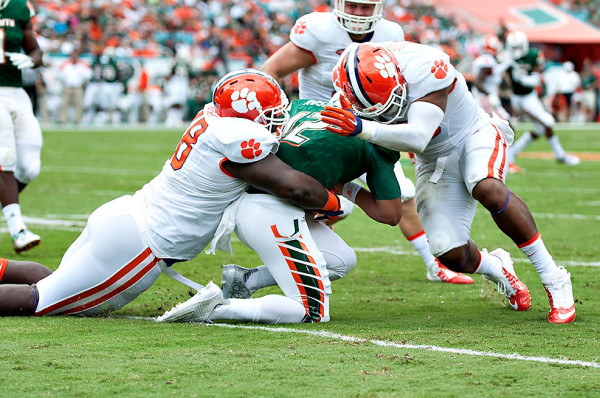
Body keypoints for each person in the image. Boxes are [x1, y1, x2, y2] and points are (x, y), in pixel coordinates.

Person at [0, 69, 342, 317]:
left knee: (50, 281)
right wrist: (335, 202)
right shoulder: (239, 139)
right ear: (250, 117)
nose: (277, 120)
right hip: (140, 244)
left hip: (124, 217)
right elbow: (294, 186)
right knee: (40, 300)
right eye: (271, 115)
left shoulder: (213, 119)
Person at [320, 41, 575, 324]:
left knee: (485, 185)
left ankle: (554, 278)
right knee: (448, 251)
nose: (390, 109)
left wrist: (363, 127)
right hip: (433, 161)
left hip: (473, 134)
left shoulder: (426, 66)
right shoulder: (345, 97)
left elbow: (418, 136)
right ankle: (498, 268)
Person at [261, 0, 472, 284]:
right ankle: (291, 258)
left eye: (366, 6)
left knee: (401, 196)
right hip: (318, 132)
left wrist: (406, 134)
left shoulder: (390, 34)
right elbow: (270, 70)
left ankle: (434, 266)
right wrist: (282, 117)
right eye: (353, 5)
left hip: (367, 127)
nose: (359, 12)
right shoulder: (319, 31)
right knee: (314, 203)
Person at [157, 98, 403, 324]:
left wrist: (338, 185)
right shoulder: (377, 145)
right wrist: (348, 191)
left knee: (341, 260)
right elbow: (389, 215)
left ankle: (246, 280)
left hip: (254, 199)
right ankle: (217, 307)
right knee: (311, 311)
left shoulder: (308, 104)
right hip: (270, 209)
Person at [0, 0, 44, 253]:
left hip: (16, 92)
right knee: (4, 156)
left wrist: (31, 60)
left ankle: (7, 207)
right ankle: (18, 230)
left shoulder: (19, 6)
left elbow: (36, 51)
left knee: (29, 167)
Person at [503, 31, 579, 168]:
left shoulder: (533, 55)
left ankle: (513, 153)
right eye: (512, 48)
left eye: (517, 48)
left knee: (540, 128)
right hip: (516, 98)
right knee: (546, 122)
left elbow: (539, 77)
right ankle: (559, 155)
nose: (515, 51)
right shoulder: (506, 57)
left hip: (529, 96)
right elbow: (498, 74)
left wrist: (524, 79)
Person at [471, 34, 511, 121]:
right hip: (485, 99)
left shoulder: (484, 60)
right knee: (505, 123)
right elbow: (477, 81)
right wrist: (490, 95)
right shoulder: (488, 61)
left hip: (483, 98)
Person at [57, 50, 92, 124]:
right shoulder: (66, 64)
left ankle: (78, 119)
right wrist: (64, 83)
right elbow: (60, 75)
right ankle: (63, 118)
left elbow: (88, 75)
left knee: (79, 103)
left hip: (78, 86)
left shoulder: (82, 64)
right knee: (64, 103)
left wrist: (83, 84)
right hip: (67, 86)